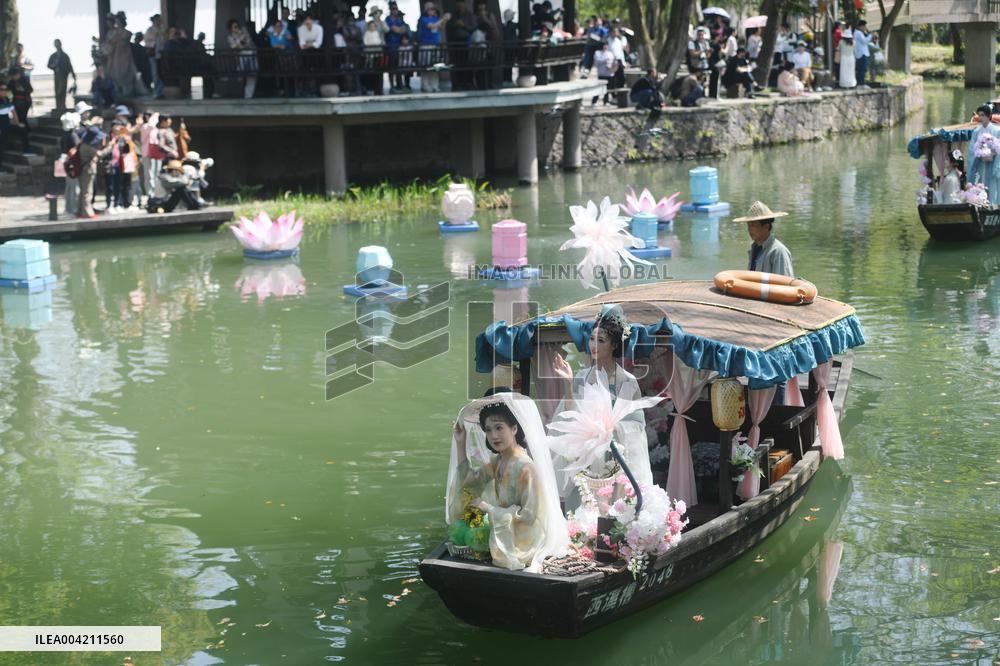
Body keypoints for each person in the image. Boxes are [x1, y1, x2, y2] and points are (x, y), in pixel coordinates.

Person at [448, 391, 568, 571]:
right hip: (505, 532)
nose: (493, 435)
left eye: (499, 427)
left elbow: (528, 517)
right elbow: (470, 481)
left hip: (524, 540)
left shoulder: (526, 467)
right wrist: (460, 443)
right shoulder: (499, 460)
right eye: (488, 430)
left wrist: (489, 509)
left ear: (514, 428)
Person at [551, 304, 652, 500]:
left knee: (615, 510)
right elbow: (570, 417)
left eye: (601, 340)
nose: (593, 346)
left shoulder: (627, 381)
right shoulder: (581, 376)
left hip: (615, 457)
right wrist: (569, 384)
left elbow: (637, 425)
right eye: (591, 339)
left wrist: (609, 430)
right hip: (585, 457)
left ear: (614, 345)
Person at [734, 201, 794, 276]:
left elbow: (784, 283)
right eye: (748, 225)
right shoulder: (754, 249)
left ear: (766, 227)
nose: (749, 229)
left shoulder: (778, 252)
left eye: (753, 225)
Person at [967, 102, 1000, 206]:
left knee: (993, 186)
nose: (980, 118)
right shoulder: (976, 132)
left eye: (983, 115)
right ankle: (980, 206)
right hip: (980, 164)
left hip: (993, 164)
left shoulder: (997, 130)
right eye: (979, 115)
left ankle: (994, 207)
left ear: (989, 116)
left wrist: (992, 155)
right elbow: (972, 149)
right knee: (980, 186)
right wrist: (979, 154)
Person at [75, 117, 106, 219]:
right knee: (87, 192)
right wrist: (110, 147)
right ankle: (87, 212)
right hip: (87, 170)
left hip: (84, 169)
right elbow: (100, 154)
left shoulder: (82, 144)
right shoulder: (87, 147)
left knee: (84, 191)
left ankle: (80, 210)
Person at [417, 2, 450, 93]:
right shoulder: (423, 19)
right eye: (431, 9)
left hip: (436, 45)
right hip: (425, 45)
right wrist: (442, 19)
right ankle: (425, 86)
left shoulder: (436, 18)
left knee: (435, 66)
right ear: (427, 10)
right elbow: (432, 26)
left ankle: (435, 85)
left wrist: (445, 20)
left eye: (434, 9)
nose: (433, 11)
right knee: (426, 67)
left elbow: (441, 26)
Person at [7, 68, 34, 154]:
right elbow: (8, 90)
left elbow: (30, 90)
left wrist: (21, 91)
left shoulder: (24, 79)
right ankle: (26, 130)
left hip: (24, 101)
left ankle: (25, 133)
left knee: (22, 118)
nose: (14, 77)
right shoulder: (11, 82)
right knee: (19, 118)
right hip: (16, 102)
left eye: (14, 75)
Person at [47, 40, 76, 113]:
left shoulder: (65, 56)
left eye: (58, 44)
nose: (57, 46)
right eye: (56, 44)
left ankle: (62, 105)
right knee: (58, 91)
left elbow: (70, 66)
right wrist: (54, 66)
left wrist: (73, 75)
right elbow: (49, 65)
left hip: (64, 76)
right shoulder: (53, 56)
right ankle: (58, 106)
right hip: (57, 76)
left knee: (62, 90)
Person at [591, 41, 615, 106]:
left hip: (609, 74)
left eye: (606, 45)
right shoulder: (597, 53)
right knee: (599, 89)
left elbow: (613, 62)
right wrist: (605, 60)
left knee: (607, 89)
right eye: (604, 45)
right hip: (601, 73)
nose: (605, 46)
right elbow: (597, 62)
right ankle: (594, 101)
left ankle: (606, 101)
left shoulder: (610, 53)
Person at [853, 21, 873, 89]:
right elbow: (864, 41)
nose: (865, 28)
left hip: (861, 53)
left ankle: (860, 83)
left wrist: (867, 34)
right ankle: (861, 84)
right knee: (862, 69)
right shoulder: (858, 33)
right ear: (861, 26)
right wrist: (870, 35)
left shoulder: (858, 33)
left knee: (861, 69)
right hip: (862, 53)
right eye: (864, 26)